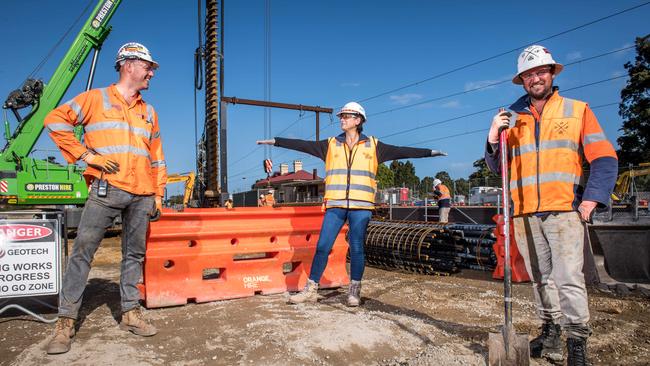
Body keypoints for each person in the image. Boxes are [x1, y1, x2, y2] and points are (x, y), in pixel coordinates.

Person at [485, 45, 617, 365]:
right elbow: (498, 168)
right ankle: (551, 330)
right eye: (529, 74)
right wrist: (492, 138)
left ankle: (576, 343)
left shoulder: (576, 110)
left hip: (564, 211)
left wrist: (590, 200)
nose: (535, 78)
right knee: (540, 278)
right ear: (522, 80)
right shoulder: (511, 118)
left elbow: (604, 158)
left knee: (568, 277)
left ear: (552, 73)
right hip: (525, 212)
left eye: (540, 71)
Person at [257, 101, 446, 307]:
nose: (341, 119)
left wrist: (430, 152)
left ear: (358, 120)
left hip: (361, 206)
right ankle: (311, 289)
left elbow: (402, 151)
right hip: (336, 205)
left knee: (356, 248)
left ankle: (354, 290)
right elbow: (301, 144)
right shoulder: (329, 145)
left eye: (346, 116)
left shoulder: (374, 146)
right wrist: (275, 141)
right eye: (341, 116)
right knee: (322, 247)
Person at [43, 42, 167, 354]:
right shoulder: (95, 99)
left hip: (141, 193)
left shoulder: (149, 111)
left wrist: (159, 193)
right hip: (106, 188)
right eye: (148, 66)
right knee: (83, 253)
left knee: (134, 255)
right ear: (129, 65)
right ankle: (65, 321)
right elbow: (55, 121)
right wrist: (86, 155)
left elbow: (157, 158)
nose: (151, 72)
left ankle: (130, 312)